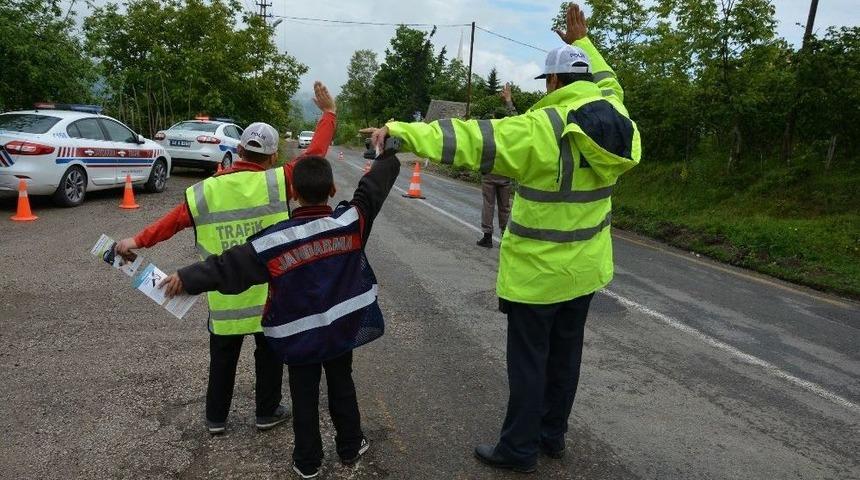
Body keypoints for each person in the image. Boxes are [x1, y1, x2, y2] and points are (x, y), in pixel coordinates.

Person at [369, 3, 640, 473]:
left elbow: (465, 139)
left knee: (530, 364)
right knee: (565, 358)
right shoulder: (617, 118)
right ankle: (552, 436)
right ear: (588, 81)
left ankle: (519, 449)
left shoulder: (538, 129)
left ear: (552, 83)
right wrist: (584, 44)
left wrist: (398, 131)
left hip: (537, 277)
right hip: (587, 270)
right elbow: (610, 81)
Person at [157, 143, 402, 478]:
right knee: (341, 382)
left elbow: (228, 266)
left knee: (303, 394)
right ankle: (350, 445)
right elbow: (372, 189)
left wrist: (184, 278)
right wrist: (389, 149)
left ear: (294, 193)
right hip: (341, 330)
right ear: (331, 190)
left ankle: (307, 462)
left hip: (298, 337)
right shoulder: (350, 222)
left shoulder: (273, 242)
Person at [114, 82, 338, 434]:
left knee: (222, 360)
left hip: (224, 299)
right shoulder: (279, 182)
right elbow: (316, 156)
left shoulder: (204, 191)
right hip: (270, 297)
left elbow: (169, 224)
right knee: (269, 357)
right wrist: (329, 114)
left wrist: (135, 240)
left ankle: (216, 419)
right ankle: (266, 413)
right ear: (272, 156)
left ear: (239, 150)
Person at [477, 82, 517, 248]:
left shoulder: (488, 131)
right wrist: (508, 101)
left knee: (488, 204)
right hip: (505, 173)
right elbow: (516, 119)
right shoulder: (511, 131)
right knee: (505, 207)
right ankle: (504, 235)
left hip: (490, 172)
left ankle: (487, 236)